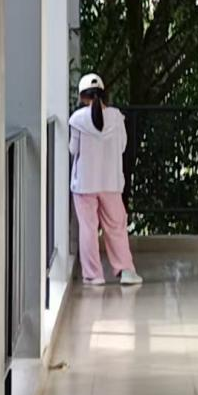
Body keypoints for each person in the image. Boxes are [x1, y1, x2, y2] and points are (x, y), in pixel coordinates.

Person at [69, 73, 143, 287]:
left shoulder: (77, 119)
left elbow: (73, 149)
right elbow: (122, 146)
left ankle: (94, 276)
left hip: (84, 183)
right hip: (111, 182)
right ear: (104, 95)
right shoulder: (117, 118)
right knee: (116, 226)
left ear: (82, 97)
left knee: (88, 228)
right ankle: (126, 271)